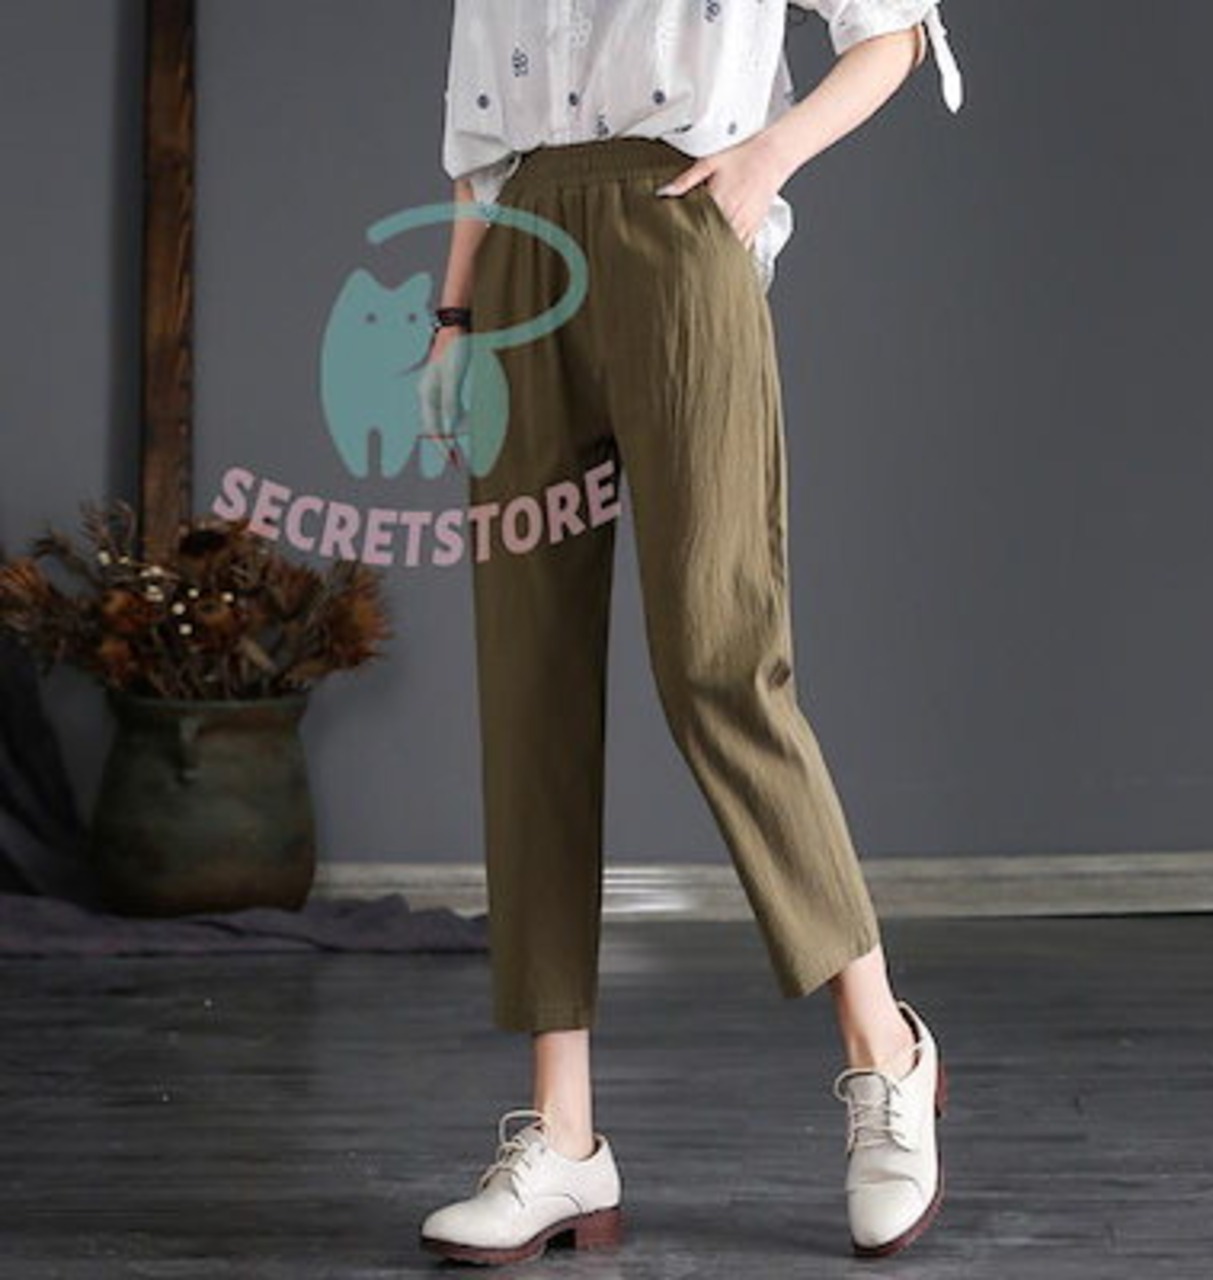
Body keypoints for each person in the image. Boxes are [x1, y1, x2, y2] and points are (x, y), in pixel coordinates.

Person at [416, 0, 965, 1265]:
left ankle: (884, 1045)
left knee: (718, 662)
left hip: (677, 235)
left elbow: (891, 31)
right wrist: (451, 317)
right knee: (527, 684)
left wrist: (767, 156)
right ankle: (563, 1135)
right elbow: (480, 134)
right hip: (518, 256)